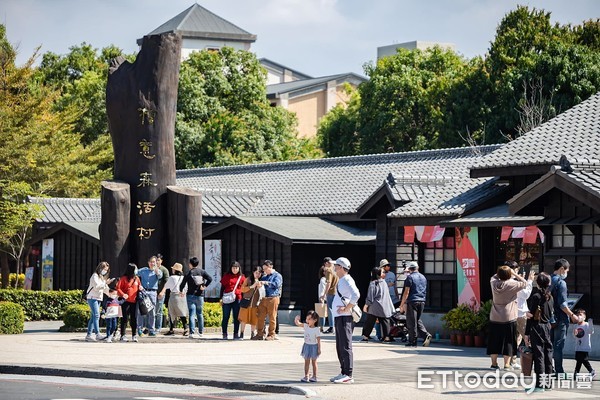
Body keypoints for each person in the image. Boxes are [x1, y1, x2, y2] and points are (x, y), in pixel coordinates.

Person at [487, 265, 527, 369]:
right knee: (509, 340)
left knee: (494, 340)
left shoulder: (493, 283)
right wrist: (514, 274)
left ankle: (494, 363)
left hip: (495, 316)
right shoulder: (512, 284)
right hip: (509, 316)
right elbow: (525, 283)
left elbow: (494, 276)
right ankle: (506, 364)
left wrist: (502, 272)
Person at [329, 257, 360, 384]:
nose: (334, 267)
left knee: (345, 345)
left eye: (336, 265)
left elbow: (356, 294)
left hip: (345, 317)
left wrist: (347, 308)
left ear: (341, 267)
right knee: (340, 345)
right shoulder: (342, 279)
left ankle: (348, 374)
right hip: (340, 317)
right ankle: (343, 372)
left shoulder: (347, 279)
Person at [524, 272, 554, 393]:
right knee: (548, 355)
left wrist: (526, 334)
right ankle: (548, 384)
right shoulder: (550, 296)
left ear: (538, 283)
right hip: (547, 327)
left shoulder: (536, 296)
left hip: (537, 327)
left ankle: (539, 385)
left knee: (539, 356)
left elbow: (530, 316)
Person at [550, 258, 579, 374]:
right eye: (566, 270)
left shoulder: (548, 280)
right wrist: (572, 315)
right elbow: (562, 304)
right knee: (558, 345)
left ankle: (548, 369)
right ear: (562, 269)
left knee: (549, 345)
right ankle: (559, 371)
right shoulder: (561, 283)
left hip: (548, 318)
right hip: (560, 318)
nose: (566, 273)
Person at [400, 261, 432, 347]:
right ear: (417, 268)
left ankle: (413, 341)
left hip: (412, 301)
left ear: (410, 269)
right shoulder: (423, 277)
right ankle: (426, 335)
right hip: (422, 301)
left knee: (411, 322)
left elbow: (406, 292)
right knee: (416, 320)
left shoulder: (409, 278)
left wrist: (402, 304)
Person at [509, 261, 535, 369]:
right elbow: (525, 294)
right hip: (520, 313)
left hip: (513, 313)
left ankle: (512, 361)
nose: (517, 271)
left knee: (516, 338)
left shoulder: (506, 281)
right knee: (527, 337)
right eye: (515, 269)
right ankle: (530, 361)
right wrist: (529, 281)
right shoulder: (512, 282)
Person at [180, 256, 213, 339]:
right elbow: (210, 278)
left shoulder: (188, 273)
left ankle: (191, 332)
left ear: (190, 264)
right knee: (200, 313)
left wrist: (181, 291)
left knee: (191, 314)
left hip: (190, 295)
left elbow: (182, 284)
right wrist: (204, 286)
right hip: (200, 295)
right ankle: (201, 332)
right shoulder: (202, 272)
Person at [362, 266, 395, 343]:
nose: (384, 273)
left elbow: (370, 295)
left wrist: (366, 305)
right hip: (384, 305)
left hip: (375, 305)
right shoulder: (384, 282)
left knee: (370, 321)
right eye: (382, 272)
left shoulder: (373, 283)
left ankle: (365, 336)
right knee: (385, 321)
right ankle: (386, 337)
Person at [253, 260, 283, 341]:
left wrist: (266, 282)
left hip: (273, 298)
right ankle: (260, 334)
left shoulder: (277, 275)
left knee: (272, 317)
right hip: (263, 298)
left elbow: (276, 285)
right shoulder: (264, 276)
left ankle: (271, 334)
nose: (265, 271)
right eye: (264, 269)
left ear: (271, 267)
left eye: (266, 269)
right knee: (260, 317)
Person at [85, 261, 114, 341]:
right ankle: (97, 334)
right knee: (97, 315)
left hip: (98, 298)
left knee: (93, 317)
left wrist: (111, 294)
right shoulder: (94, 276)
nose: (105, 271)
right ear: (100, 268)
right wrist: (105, 283)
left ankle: (88, 335)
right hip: (92, 297)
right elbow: (97, 287)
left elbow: (104, 289)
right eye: (104, 269)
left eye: (106, 270)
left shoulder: (101, 277)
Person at [136, 255, 163, 336]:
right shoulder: (143, 270)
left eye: (154, 262)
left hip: (153, 292)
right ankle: (139, 329)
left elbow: (160, 276)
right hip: (143, 292)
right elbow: (135, 273)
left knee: (152, 311)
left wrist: (156, 269)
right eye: (151, 262)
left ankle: (151, 329)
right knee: (141, 311)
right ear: (148, 263)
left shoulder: (158, 271)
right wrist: (138, 284)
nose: (152, 263)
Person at [160, 262, 188, 336]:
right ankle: (186, 329)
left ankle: (171, 329)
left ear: (175, 270)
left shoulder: (172, 278)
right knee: (182, 313)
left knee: (172, 313)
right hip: (182, 296)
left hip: (174, 296)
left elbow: (166, 286)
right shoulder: (183, 277)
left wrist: (162, 292)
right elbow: (186, 288)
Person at [116, 263, 142, 342]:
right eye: (135, 269)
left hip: (134, 301)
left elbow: (139, 287)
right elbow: (118, 288)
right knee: (125, 318)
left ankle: (134, 335)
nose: (136, 270)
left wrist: (141, 288)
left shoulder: (137, 278)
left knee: (134, 318)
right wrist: (123, 294)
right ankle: (122, 335)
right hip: (126, 301)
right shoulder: (123, 278)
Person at [220, 261, 245, 340]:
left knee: (236, 317)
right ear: (231, 268)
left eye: (236, 268)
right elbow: (222, 288)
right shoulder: (226, 276)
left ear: (239, 268)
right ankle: (224, 333)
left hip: (237, 298)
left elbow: (244, 289)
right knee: (225, 316)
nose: (235, 269)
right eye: (233, 268)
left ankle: (235, 333)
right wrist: (220, 298)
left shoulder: (242, 277)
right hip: (227, 298)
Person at [294, 311, 322, 383]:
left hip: (314, 346)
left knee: (314, 362)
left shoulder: (316, 329)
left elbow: (318, 340)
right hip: (306, 345)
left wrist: (319, 348)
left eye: (309, 319)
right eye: (307, 318)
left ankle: (314, 376)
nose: (307, 320)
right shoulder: (306, 326)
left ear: (315, 320)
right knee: (306, 361)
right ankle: (306, 376)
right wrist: (296, 319)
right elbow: (298, 324)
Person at [238, 266, 264, 340]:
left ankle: (253, 333)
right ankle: (242, 333)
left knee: (254, 319)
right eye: (256, 273)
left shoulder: (262, 281)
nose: (258, 275)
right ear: (253, 272)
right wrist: (251, 286)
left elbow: (263, 293)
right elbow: (242, 289)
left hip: (256, 304)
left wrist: (260, 288)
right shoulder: (248, 279)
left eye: (259, 273)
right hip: (246, 302)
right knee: (243, 319)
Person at [573, 309, 596, 378]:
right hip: (578, 346)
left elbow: (591, 331)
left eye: (580, 315)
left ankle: (591, 370)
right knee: (579, 360)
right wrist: (574, 334)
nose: (579, 316)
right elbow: (574, 337)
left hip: (585, 347)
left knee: (583, 359)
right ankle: (576, 372)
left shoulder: (587, 325)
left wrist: (591, 323)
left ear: (584, 317)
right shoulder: (575, 326)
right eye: (577, 315)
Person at [320, 257, 337, 334]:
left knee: (330, 309)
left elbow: (328, 283)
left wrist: (324, 294)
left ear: (326, 263)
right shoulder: (335, 271)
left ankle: (331, 327)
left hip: (331, 292)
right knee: (334, 309)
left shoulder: (329, 271)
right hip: (336, 292)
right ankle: (333, 326)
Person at [154, 253, 169, 334]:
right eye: (156, 260)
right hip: (152, 293)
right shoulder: (152, 269)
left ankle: (158, 327)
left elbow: (167, 282)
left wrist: (163, 291)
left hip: (160, 293)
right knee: (151, 310)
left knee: (159, 311)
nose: (157, 262)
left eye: (158, 260)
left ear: (161, 261)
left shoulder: (164, 270)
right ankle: (150, 326)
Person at [317, 265, 328, 330]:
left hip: (323, 297)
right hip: (324, 297)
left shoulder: (323, 279)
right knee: (323, 313)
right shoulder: (324, 279)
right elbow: (322, 289)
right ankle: (321, 326)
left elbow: (322, 289)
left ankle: (321, 327)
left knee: (322, 313)